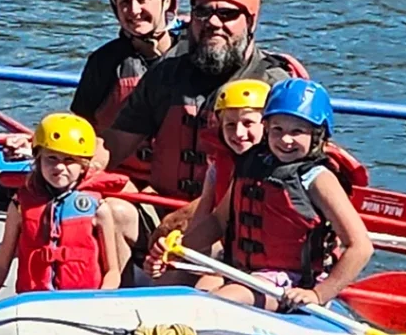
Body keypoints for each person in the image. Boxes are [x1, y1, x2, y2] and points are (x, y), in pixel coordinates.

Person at [97, 0, 308, 261]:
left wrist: (187, 216)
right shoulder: (165, 75)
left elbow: (270, 178)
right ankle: (108, 299)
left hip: (233, 223)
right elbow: (113, 144)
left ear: (250, 21)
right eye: (202, 12)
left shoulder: (276, 88)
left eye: (227, 14)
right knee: (104, 214)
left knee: (189, 259)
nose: (212, 22)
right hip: (163, 211)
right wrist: (73, 158)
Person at [151, 79, 372, 311]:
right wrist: (178, 250)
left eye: (297, 131)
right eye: (277, 129)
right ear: (267, 129)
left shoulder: (318, 178)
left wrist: (318, 294)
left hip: (288, 283)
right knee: (178, 291)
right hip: (240, 271)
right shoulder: (250, 165)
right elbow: (218, 221)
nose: (285, 140)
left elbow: (361, 247)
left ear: (316, 135)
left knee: (217, 303)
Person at [0, 113, 126, 305]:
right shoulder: (19, 207)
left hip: (82, 303)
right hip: (34, 303)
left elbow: (112, 272)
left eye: (70, 160)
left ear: (84, 166)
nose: (59, 167)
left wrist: (98, 302)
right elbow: (0, 267)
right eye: (51, 158)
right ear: (38, 159)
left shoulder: (99, 210)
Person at [141, 78, 268, 290]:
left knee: (207, 288)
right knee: (163, 283)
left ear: (268, 125)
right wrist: (172, 253)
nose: (238, 133)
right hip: (232, 254)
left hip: (271, 267)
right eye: (230, 124)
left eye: (248, 123)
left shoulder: (284, 173)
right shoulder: (218, 167)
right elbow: (207, 221)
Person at [70, 0, 181, 180]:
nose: (134, 10)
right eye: (124, 2)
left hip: (179, 184)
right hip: (120, 179)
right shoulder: (104, 62)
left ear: (167, 2)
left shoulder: (193, 58)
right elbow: (81, 126)